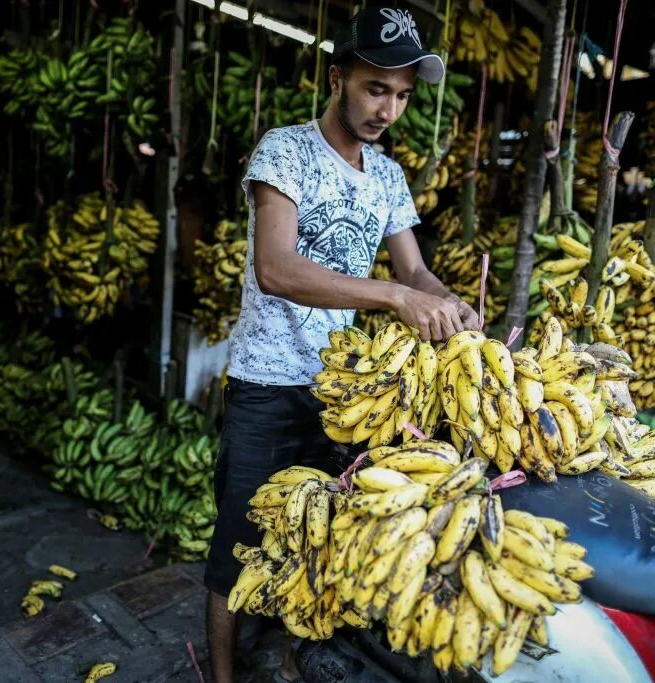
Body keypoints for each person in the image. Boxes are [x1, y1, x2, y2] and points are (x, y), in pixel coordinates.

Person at [203, 7, 479, 682]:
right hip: (268, 380)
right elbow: (276, 266)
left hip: (349, 393)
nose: (389, 107)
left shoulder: (386, 176)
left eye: (403, 94)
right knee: (240, 543)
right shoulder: (285, 150)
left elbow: (413, 269)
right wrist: (393, 296)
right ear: (338, 77)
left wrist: (445, 301)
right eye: (375, 87)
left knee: (322, 536)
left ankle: (293, 660)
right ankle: (219, 674)